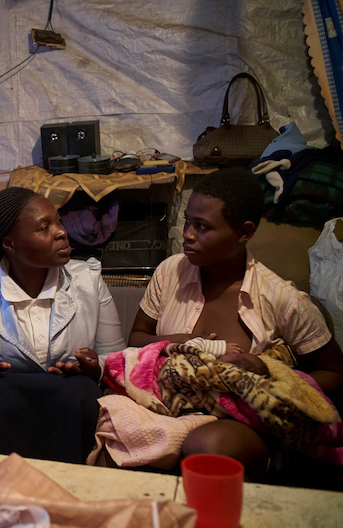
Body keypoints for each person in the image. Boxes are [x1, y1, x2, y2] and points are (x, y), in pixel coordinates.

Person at [128, 167, 343, 479]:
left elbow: (336, 372)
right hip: (166, 404)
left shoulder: (283, 299)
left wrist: (266, 373)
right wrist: (182, 340)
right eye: (188, 220)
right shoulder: (170, 272)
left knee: (207, 444)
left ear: (244, 232)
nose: (187, 233)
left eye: (202, 227)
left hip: (238, 422)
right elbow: (136, 337)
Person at [0, 187, 126, 463]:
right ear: (9, 244)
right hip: (2, 414)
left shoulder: (87, 282)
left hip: (71, 412)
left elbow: (119, 362)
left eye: (58, 221)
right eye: (44, 228)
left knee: (82, 391)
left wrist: (96, 368)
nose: (61, 232)